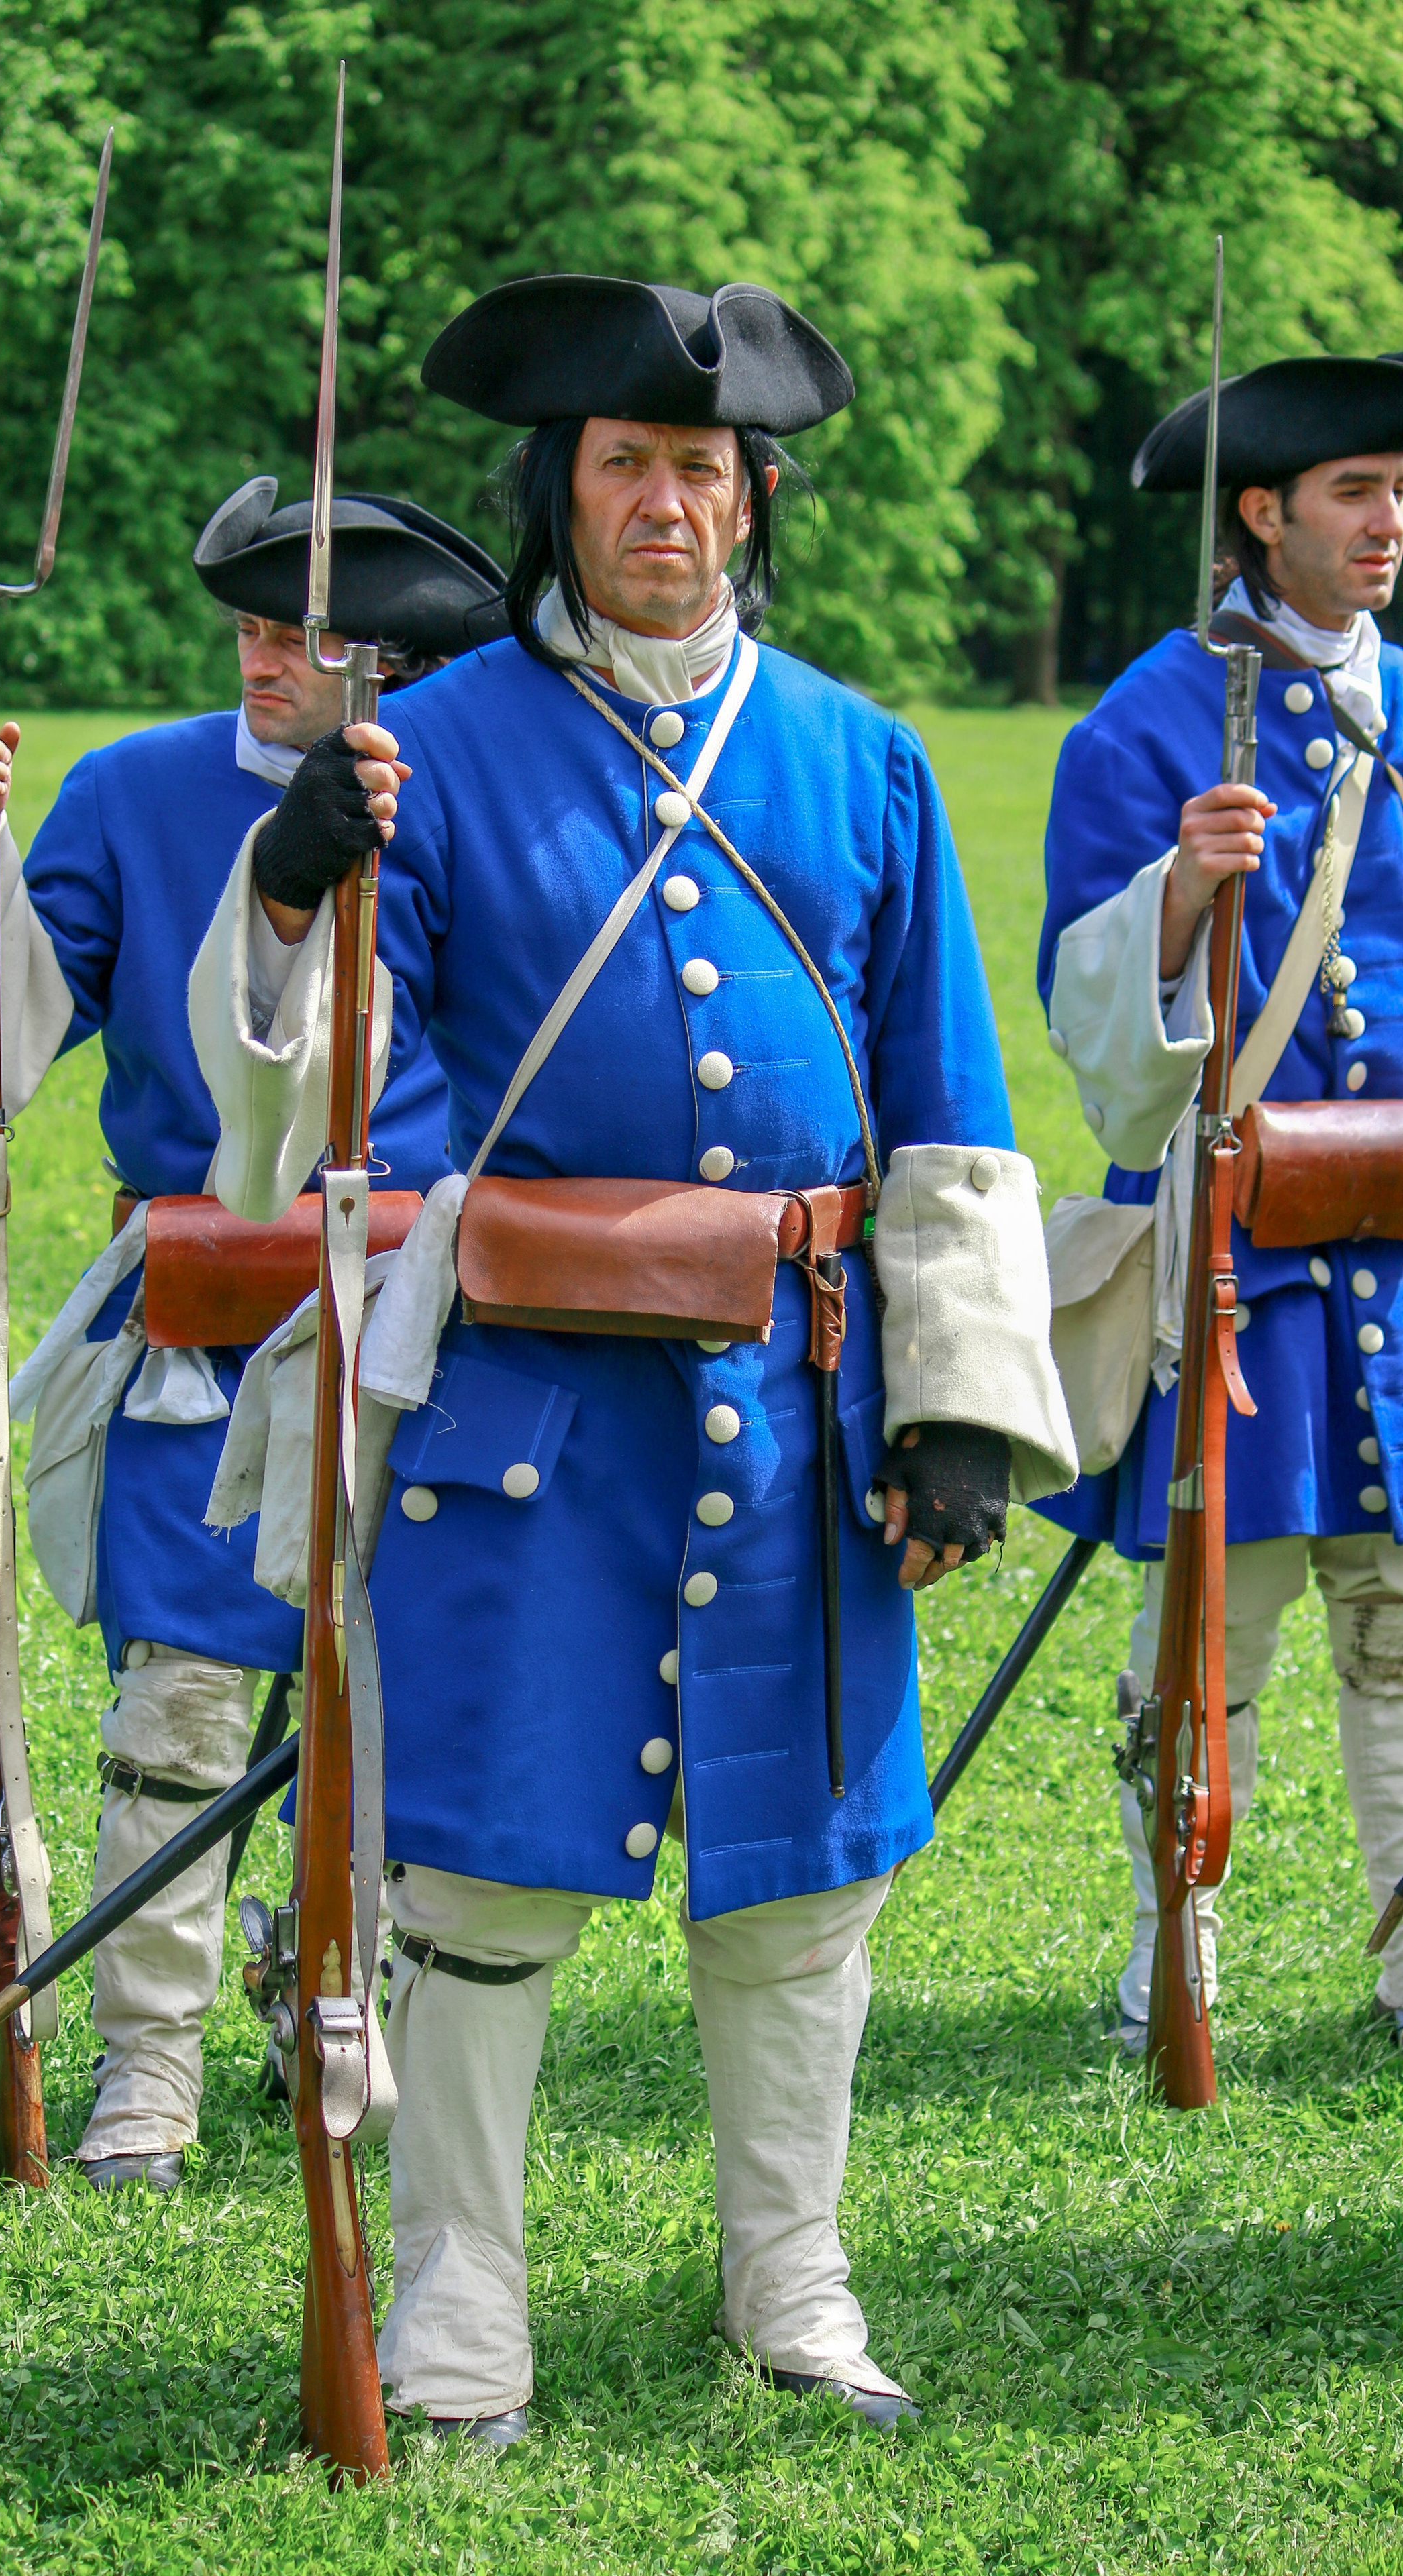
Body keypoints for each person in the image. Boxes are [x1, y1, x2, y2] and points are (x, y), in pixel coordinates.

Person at [191, 275, 1076, 2438]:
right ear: (558, 493)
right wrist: (294, 891)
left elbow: (950, 1104)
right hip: (522, 1414)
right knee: (483, 1882)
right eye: (623, 465)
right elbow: (292, 1117)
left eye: (701, 467)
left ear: (751, 496)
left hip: (793, 1401)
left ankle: (796, 2297)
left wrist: (953, 1405)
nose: (665, 500)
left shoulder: (862, 757)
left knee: (804, 1893)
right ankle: (459, 2320)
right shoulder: (432, 747)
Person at [0, 484, 505, 2189]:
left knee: (392, 1698)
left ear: (393, 662)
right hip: (203, 1310)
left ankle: (341, 2011)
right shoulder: (133, 792)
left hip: (430, 1313)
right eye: (248, 622)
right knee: (183, 1701)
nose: (261, 658)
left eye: (304, 633)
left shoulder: (486, 801)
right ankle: (143, 2061)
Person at [1035, 355, 1403, 2049]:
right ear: (1258, 516)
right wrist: (1177, 892)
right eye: (1351, 491)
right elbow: (1085, 1002)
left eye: (1395, 488)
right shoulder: (1146, 714)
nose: (1388, 522)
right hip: (1239, 1225)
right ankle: (1166, 1946)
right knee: (1221, 1600)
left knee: (1393, 1609)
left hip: (1397, 1228)